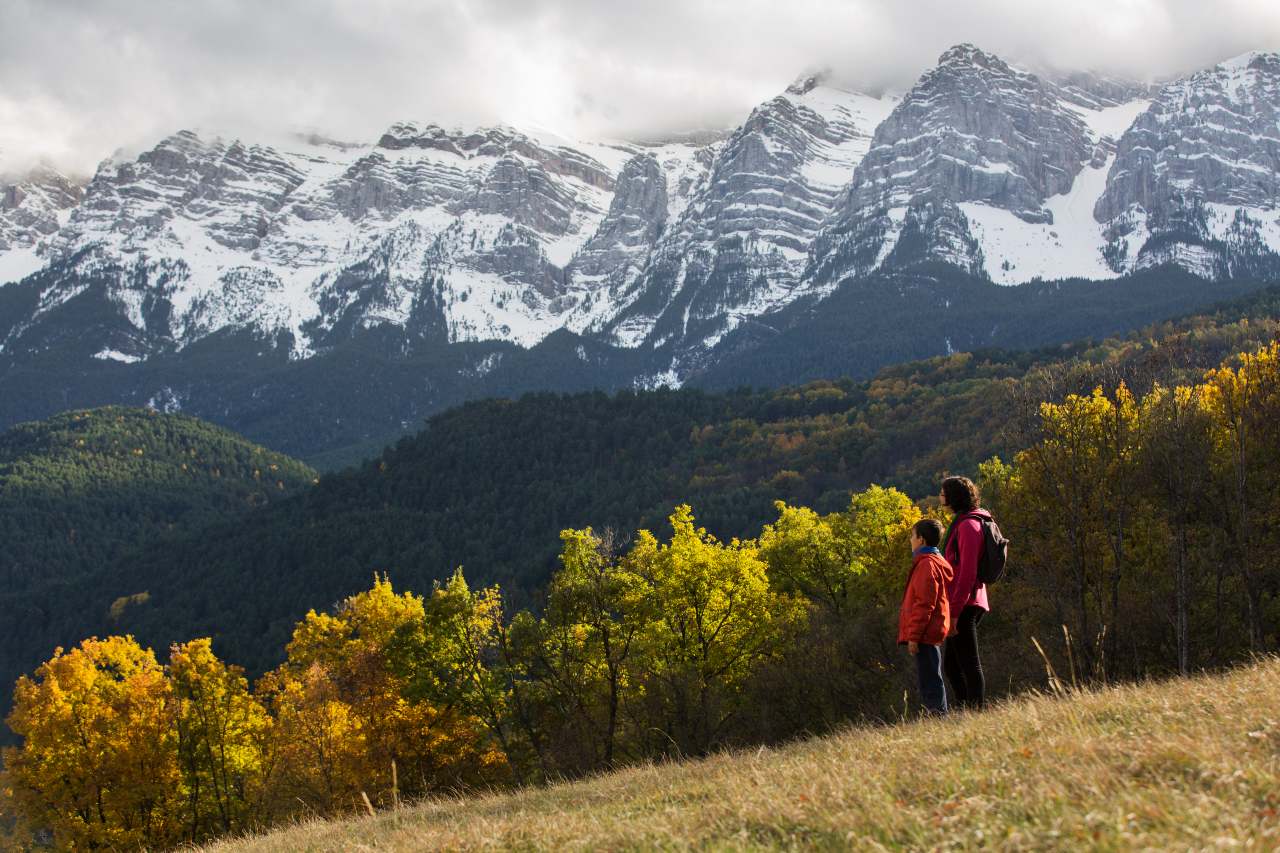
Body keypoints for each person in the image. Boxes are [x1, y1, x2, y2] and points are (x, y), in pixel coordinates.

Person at [940, 475, 991, 709]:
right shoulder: (963, 523)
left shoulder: (969, 526)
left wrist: (954, 613)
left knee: (969, 663)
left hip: (966, 604)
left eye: (943, 493)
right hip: (963, 602)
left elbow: (967, 573)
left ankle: (976, 711)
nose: (941, 496)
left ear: (953, 497)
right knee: (951, 665)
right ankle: (966, 710)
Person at [898, 518, 953, 714]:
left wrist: (914, 636)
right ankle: (938, 712)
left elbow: (924, 604)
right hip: (931, 629)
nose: (910, 540)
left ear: (921, 540)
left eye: (912, 536)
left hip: (925, 631)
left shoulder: (926, 565)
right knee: (931, 673)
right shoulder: (933, 562)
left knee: (929, 677)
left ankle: (937, 714)